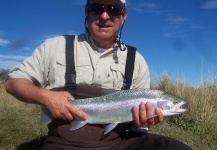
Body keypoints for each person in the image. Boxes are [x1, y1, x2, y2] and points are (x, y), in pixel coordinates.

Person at [5, 0, 192, 149]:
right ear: (87, 11)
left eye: (113, 8)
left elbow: (138, 127)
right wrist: (45, 97)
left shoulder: (137, 61)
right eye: (97, 7)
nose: (104, 15)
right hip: (65, 143)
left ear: (123, 15)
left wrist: (145, 121)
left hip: (118, 143)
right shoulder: (55, 46)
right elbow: (13, 83)